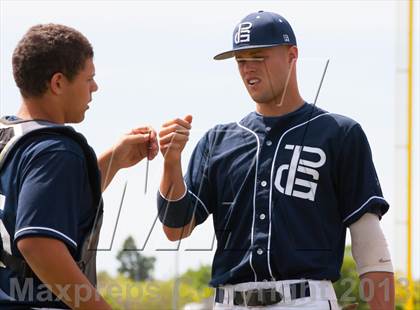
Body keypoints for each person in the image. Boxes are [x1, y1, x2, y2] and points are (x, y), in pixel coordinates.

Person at [157, 11, 394, 309]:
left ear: (292, 55)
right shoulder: (217, 141)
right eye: (241, 60)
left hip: (306, 300)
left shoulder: (338, 133)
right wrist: (171, 162)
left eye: (259, 56)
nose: (248, 68)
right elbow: (175, 229)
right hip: (230, 302)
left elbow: (368, 241)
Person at [0, 24, 158, 309]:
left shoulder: (8, 138)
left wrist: (114, 160)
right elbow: (37, 242)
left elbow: (48, 203)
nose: (95, 87)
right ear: (58, 83)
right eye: (89, 78)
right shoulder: (56, 150)